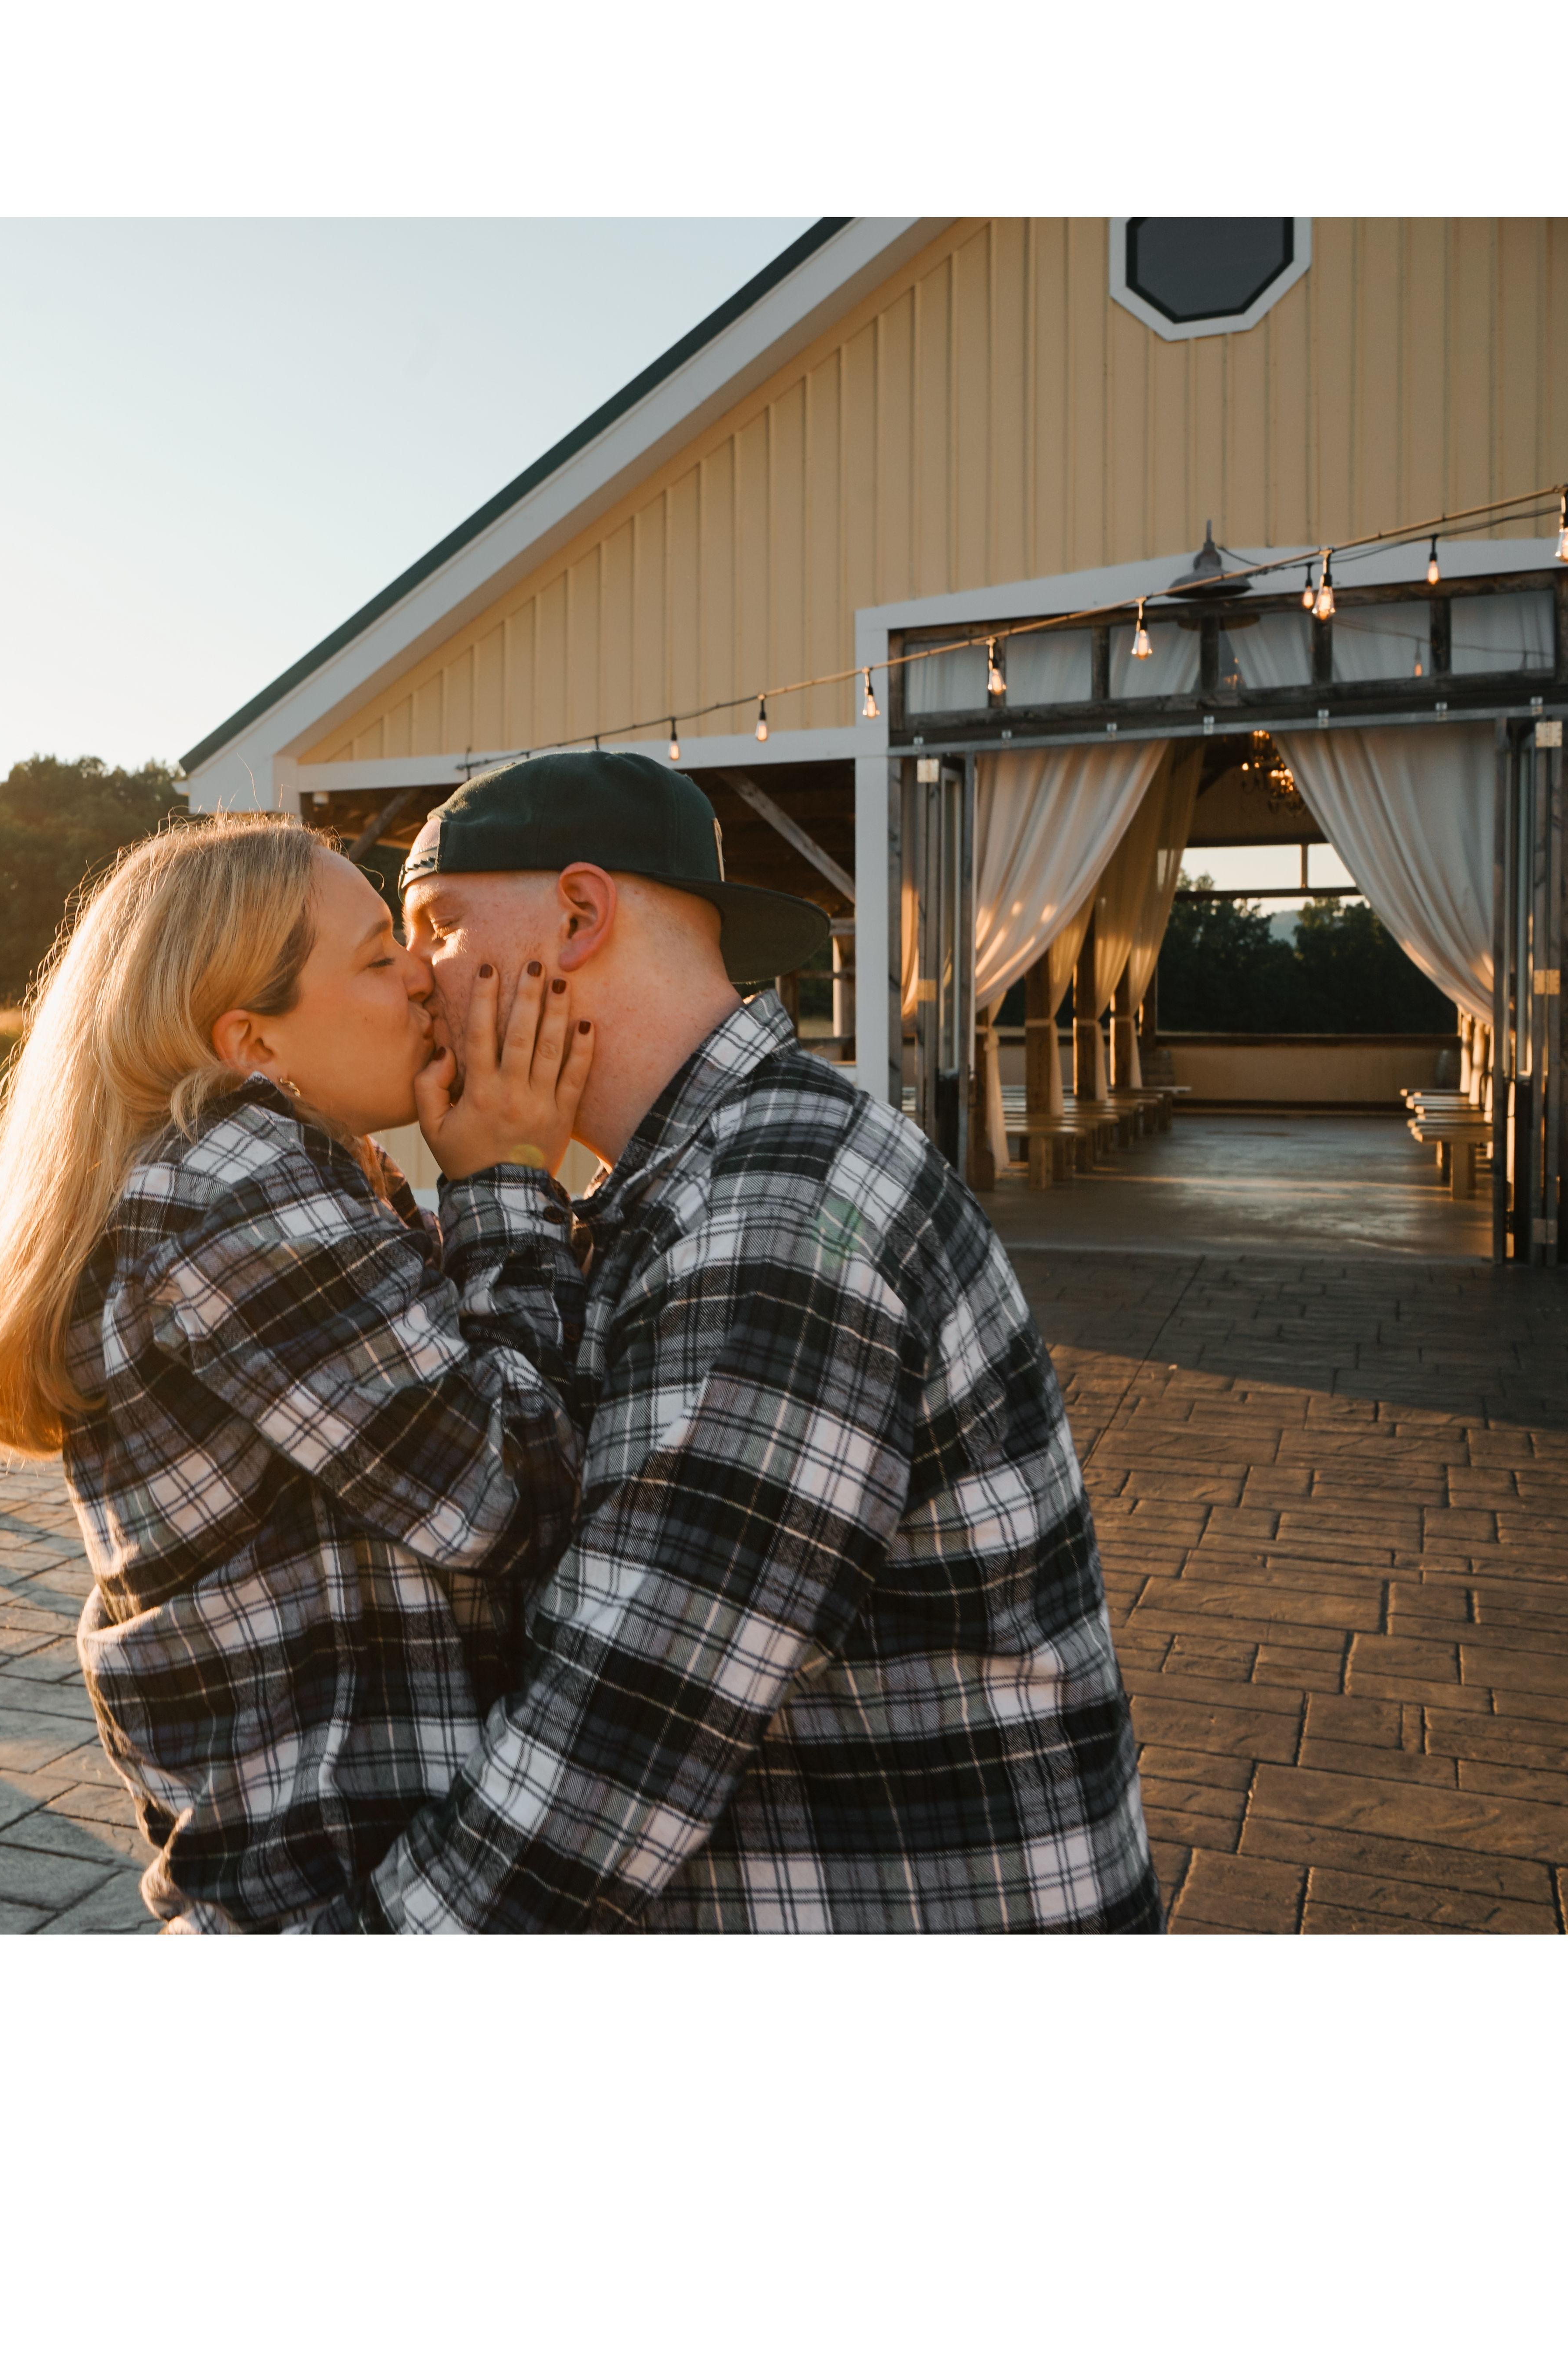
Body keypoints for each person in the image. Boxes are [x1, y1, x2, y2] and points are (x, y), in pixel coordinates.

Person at [357, 747, 1159, 1932]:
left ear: (579, 915)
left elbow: (608, 1769)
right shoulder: (732, 1164)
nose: (416, 979)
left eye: (434, 923)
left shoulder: (769, 1217)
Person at [0, 810, 598, 1931]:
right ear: (253, 1043)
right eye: (380, 956)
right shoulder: (231, 1181)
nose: (424, 982)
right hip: (340, 1888)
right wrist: (507, 1182)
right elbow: (507, 1492)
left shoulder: (283, 1175)